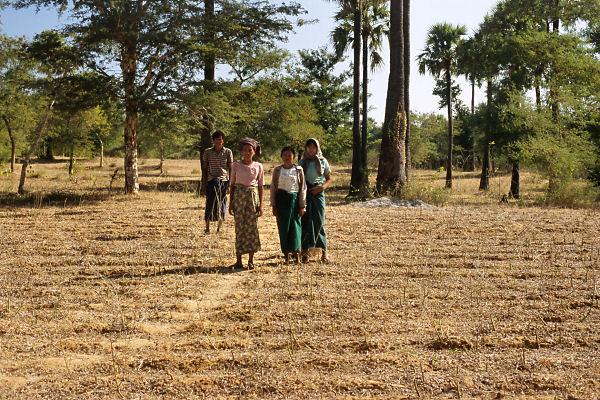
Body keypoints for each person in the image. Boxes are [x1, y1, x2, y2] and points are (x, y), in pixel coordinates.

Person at [229, 138, 264, 268]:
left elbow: (260, 186)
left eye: (250, 150)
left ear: (254, 152)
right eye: (245, 150)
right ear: (241, 152)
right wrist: (231, 203)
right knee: (239, 228)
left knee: (252, 228)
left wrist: (260, 205)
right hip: (239, 197)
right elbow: (232, 185)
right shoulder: (235, 165)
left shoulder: (258, 166)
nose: (247, 152)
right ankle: (239, 260)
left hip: (252, 198)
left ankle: (251, 260)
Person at [270, 146, 307, 264]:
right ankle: (286, 255)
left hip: (295, 201)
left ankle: (297, 254)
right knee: (283, 228)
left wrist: (302, 205)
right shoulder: (277, 170)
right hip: (281, 201)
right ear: (281, 156)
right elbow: (273, 188)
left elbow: (302, 188)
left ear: (293, 157)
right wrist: (274, 205)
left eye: (289, 155)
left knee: (295, 227)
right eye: (285, 155)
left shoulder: (298, 170)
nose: (287, 157)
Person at [299, 138, 332, 263]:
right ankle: (305, 252)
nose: (311, 149)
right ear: (306, 148)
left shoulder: (323, 161)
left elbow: (329, 179)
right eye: (309, 147)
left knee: (319, 221)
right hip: (305, 193)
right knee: (306, 221)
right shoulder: (302, 162)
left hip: (318, 194)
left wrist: (321, 187)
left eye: (313, 147)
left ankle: (324, 252)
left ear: (317, 148)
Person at [202, 130, 233, 234]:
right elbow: (205, 168)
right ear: (213, 141)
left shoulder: (228, 152)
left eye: (220, 139)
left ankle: (219, 228)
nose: (218, 141)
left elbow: (230, 168)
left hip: (223, 180)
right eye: (216, 140)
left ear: (223, 140)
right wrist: (204, 183)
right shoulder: (207, 152)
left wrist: (230, 183)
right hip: (211, 180)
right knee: (210, 203)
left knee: (222, 203)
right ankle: (207, 228)